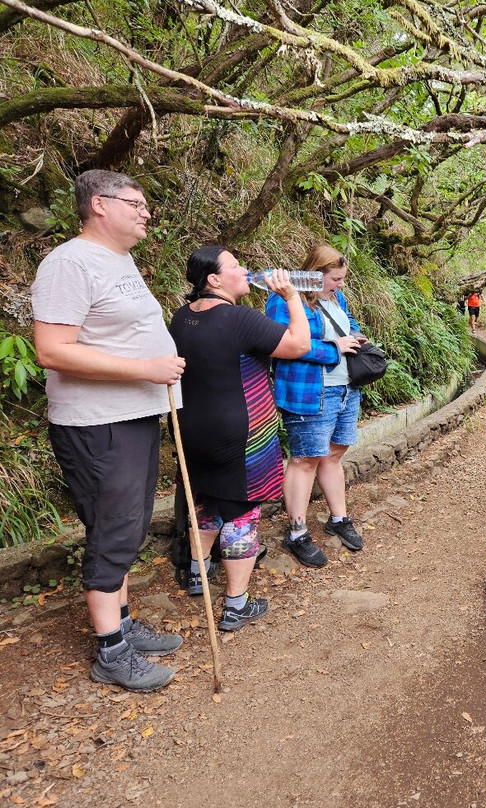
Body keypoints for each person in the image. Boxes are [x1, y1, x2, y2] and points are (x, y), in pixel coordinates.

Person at [32, 169, 186, 692]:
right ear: (99, 204)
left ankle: (120, 623)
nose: (146, 211)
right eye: (136, 202)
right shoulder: (69, 263)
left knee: (131, 524)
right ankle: (110, 651)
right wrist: (146, 369)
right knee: (114, 528)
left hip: (133, 416)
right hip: (98, 423)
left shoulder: (117, 259)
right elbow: (52, 350)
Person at [168, 247, 311, 632]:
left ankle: (199, 575)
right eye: (234, 266)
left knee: (208, 504)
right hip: (240, 433)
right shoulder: (238, 318)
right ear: (213, 280)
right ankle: (236, 604)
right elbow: (299, 345)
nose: (244, 270)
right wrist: (292, 296)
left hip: (189, 429)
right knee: (241, 515)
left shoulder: (181, 317)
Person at [266, 244, 368, 568]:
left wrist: (357, 337)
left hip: (344, 389)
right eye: (335, 279)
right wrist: (334, 348)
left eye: (342, 279)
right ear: (316, 274)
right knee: (305, 459)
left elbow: (349, 324)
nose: (340, 285)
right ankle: (296, 531)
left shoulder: (337, 297)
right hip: (309, 393)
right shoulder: (285, 298)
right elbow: (286, 344)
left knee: (334, 454)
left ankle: (338, 518)